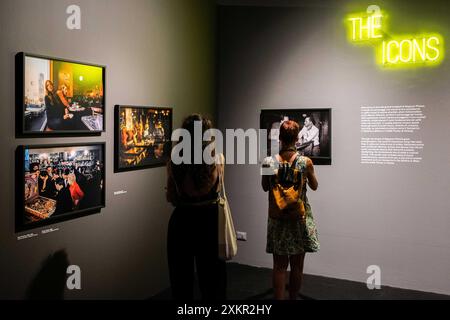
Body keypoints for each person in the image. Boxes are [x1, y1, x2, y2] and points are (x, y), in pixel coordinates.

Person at [166, 114, 227, 301]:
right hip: (209, 219)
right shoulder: (217, 159)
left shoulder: (174, 162)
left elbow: (170, 196)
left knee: (180, 278)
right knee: (212, 278)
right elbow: (219, 189)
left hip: (182, 219)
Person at [262, 120, 320, 300]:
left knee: (279, 267)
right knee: (297, 265)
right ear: (297, 138)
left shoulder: (268, 161)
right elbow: (315, 186)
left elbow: (265, 187)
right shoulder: (305, 162)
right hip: (299, 218)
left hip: (277, 218)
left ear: (279, 137)